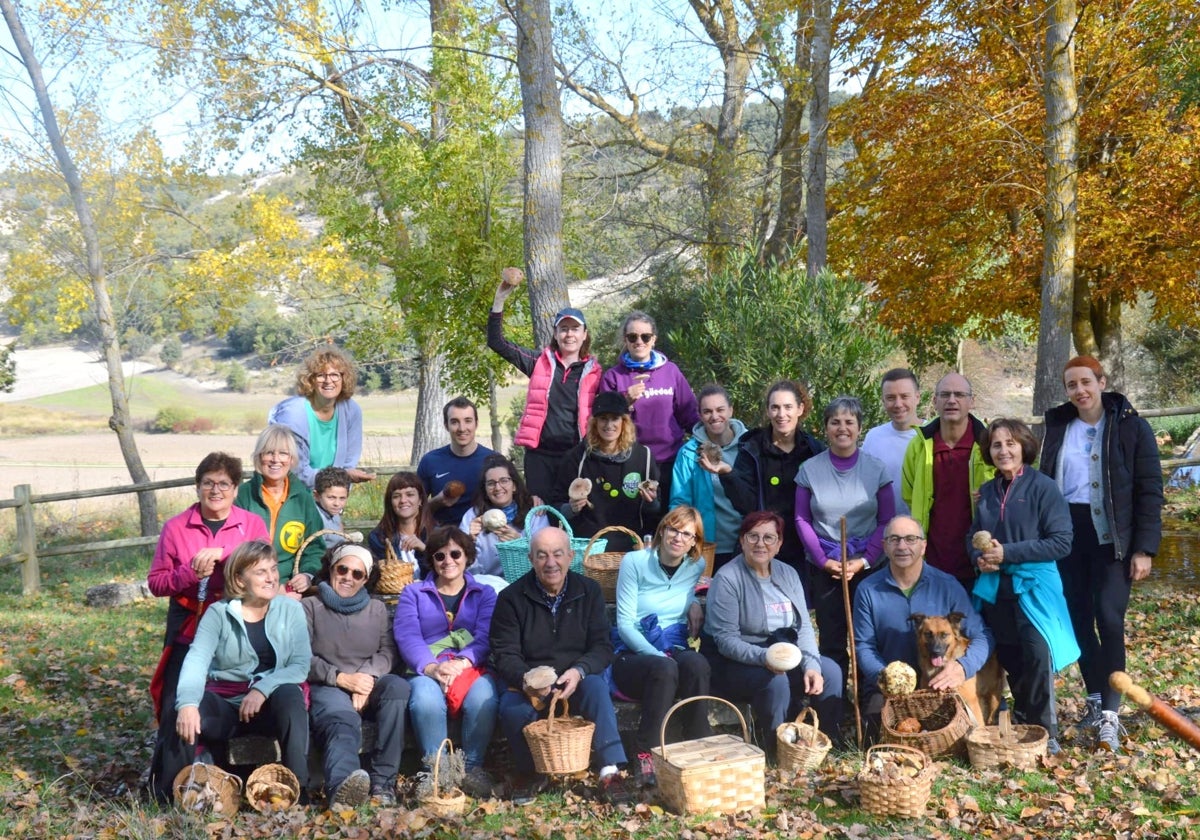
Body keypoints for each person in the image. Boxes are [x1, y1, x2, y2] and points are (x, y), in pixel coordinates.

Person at [1040, 355, 1163, 752]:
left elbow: (1149, 491)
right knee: (1076, 619)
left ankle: (1111, 713)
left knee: (1109, 618)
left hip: (1113, 538)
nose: (1079, 391)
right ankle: (1094, 698)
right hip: (1067, 536)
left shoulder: (1130, 427)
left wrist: (1143, 548)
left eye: (1085, 382)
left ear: (1102, 382)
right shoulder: (1058, 426)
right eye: (1071, 385)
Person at [146, 453, 270, 804]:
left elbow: (264, 570)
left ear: (235, 489)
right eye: (209, 483)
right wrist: (190, 573)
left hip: (240, 626)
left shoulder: (251, 524)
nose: (216, 490)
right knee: (176, 704)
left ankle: (232, 775)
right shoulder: (176, 527)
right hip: (189, 626)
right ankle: (168, 792)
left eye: (224, 484)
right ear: (198, 486)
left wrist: (227, 559)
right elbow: (156, 583)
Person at [490, 527, 632, 805]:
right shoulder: (511, 598)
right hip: (531, 680)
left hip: (575, 677)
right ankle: (529, 773)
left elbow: (602, 646)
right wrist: (528, 680)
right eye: (542, 555)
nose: (550, 563)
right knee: (511, 709)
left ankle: (609, 770)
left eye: (557, 554)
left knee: (596, 689)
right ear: (531, 559)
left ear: (570, 556)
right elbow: (503, 653)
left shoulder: (588, 591)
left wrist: (579, 671)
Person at [968, 418, 1080, 756]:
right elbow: (972, 535)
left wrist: (1008, 553)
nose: (1003, 450)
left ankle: (1047, 732)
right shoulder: (986, 493)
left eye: (1010, 443)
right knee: (1012, 656)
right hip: (996, 588)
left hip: (1034, 587)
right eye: (996, 445)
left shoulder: (1043, 487)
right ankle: (1022, 722)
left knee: (1036, 655)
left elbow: (1061, 542)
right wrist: (978, 557)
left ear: (1024, 447)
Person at [170, 541, 312, 800]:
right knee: (183, 708)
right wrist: (188, 704)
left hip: (271, 706)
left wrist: (262, 688)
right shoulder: (219, 613)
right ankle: (173, 795)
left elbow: (300, 665)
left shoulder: (290, 609)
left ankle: (298, 791)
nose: (271, 578)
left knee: (291, 695)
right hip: (228, 703)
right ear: (239, 578)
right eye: (260, 572)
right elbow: (197, 660)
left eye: (273, 569)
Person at [702, 511, 843, 746]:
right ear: (742, 540)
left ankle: (826, 745)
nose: (760, 543)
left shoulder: (788, 573)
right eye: (753, 536)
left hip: (785, 653)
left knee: (830, 671)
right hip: (738, 661)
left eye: (769, 538)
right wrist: (766, 658)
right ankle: (775, 749)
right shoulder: (727, 578)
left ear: (779, 544)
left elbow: (804, 626)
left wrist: (812, 665)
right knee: (775, 681)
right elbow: (726, 640)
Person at [853, 515, 994, 740]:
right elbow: (863, 646)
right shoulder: (868, 589)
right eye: (894, 539)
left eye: (911, 539)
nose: (902, 546)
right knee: (879, 741)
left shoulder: (947, 585)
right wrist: (884, 677)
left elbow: (982, 635)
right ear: (884, 546)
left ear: (923, 545)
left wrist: (962, 668)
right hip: (890, 690)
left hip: (941, 683)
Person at [394, 527, 500, 799]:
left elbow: (486, 635)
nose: (448, 561)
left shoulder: (484, 593)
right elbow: (408, 636)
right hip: (426, 668)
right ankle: (437, 772)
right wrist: (433, 668)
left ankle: (471, 769)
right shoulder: (413, 593)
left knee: (484, 697)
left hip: (471, 666)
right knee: (426, 700)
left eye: (455, 553)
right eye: (440, 556)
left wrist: (462, 663)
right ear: (431, 560)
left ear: (467, 557)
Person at [612, 506, 712, 788]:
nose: (678, 538)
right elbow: (625, 624)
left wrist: (693, 602)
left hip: (674, 644)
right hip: (632, 652)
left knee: (698, 664)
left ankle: (698, 742)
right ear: (662, 530)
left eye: (686, 534)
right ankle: (645, 754)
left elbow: (685, 590)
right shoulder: (634, 562)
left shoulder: (696, 565)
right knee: (665, 668)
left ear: (694, 541)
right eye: (673, 529)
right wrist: (658, 654)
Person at [795, 396, 893, 681]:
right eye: (835, 422)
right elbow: (802, 519)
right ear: (825, 427)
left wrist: (865, 560)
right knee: (832, 637)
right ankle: (834, 705)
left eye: (849, 422)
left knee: (866, 636)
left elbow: (885, 520)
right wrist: (823, 560)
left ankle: (869, 701)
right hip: (825, 566)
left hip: (869, 566)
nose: (842, 428)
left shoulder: (876, 469)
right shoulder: (809, 469)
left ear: (859, 428)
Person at [304, 543, 408, 807]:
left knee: (397, 688)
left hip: (368, 683)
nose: (348, 577)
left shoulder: (377, 609)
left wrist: (365, 679)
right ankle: (343, 788)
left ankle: (383, 783)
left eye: (357, 573)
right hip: (327, 684)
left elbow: (388, 651)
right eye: (343, 569)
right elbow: (301, 656)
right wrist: (341, 678)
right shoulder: (310, 606)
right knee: (343, 720)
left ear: (366, 579)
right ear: (330, 569)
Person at [488, 267, 602, 500]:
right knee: (540, 515)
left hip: (576, 454)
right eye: (563, 329)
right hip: (539, 456)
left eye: (574, 329)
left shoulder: (596, 372)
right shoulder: (539, 362)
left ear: (584, 334)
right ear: (556, 334)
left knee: (575, 514)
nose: (569, 334)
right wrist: (499, 300)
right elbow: (496, 342)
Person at [703, 380, 825, 591]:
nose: (781, 414)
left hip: (801, 551)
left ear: (800, 409)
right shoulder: (752, 448)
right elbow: (746, 505)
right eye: (775, 407)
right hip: (760, 547)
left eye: (788, 407)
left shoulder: (814, 451)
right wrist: (728, 473)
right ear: (768, 411)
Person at [599, 311, 699, 513]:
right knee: (637, 521)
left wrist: (711, 442)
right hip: (631, 462)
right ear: (625, 340)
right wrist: (624, 400)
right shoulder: (613, 376)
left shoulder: (671, 371)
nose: (639, 341)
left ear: (654, 339)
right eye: (632, 337)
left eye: (645, 336)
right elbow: (604, 422)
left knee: (670, 520)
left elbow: (690, 414)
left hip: (671, 462)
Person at [902, 372, 993, 592]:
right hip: (932, 562)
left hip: (979, 561)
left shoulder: (988, 444)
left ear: (972, 401)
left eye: (959, 395)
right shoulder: (919, 445)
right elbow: (908, 493)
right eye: (945, 395)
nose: (952, 400)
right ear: (934, 401)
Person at [553, 390, 660, 553]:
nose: (609, 425)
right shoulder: (576, 458)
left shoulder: (643, 457)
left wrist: (650, 502)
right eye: (603, 419)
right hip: (589, 549)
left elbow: (656, 511)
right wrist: (571, 509)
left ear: (625, 422)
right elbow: (555, 506)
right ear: (594, 422)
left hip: (632, 548)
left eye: (615, 419)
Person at [235, 424, 326, 596]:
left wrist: (306, 575)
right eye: (269, 452)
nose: (276, 459)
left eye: (283, 453)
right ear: (259, 457)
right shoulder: (243, 496)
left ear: (291, 459)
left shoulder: (303, 499)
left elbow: (314, 547)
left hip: (289, 586)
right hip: (248, 587)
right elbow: (233, 548)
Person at [268, 346, 375, 489]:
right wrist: (341, 477)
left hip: (331, 495)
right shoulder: (292, 415)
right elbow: (297, 472)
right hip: (293, 493)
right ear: (310, 380)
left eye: (335, 375)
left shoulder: (351, 410)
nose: (328, 381)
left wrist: (337, 494)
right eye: (321, 375)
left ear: (344, 379)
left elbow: (349, 462)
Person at [669, 383, 749, 571]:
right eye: (707, 411)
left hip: (748, 542)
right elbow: (680, 502)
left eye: (720, 409)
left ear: (731, 410)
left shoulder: (750, 446)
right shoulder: (689, 453)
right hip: (705, 546)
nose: (714, 417)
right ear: (699, 415)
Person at [461, 454, 548, 580]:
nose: (497, 487)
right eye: (491, 483)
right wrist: (468, 541)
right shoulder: (473, 516)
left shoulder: (534, 513)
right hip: (485, 585)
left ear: (514, 485)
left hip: (526, 583)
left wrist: (520, 543)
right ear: (484, 489)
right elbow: (461, 565)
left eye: (504, 481)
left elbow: (546, 554)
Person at [418, 397, 495, 527]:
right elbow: (414, 510)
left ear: (476, 423)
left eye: (468, 421)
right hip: (442, 536)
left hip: (484, 533)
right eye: (454, 422)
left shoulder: (493, 461)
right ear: (446, 425)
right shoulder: (430, 461)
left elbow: (510, 503)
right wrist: (438, 501)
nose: (462, 428)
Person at [861, 368, 921, 516]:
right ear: (883, 401)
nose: (898, 404)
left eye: (904, 396)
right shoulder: (874, 437)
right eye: (891, 398)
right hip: (883, 530)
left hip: (924, 530)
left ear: (917, 397)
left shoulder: (932, 435)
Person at [368, 472, 428, 576]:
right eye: (396, 496)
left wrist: (425, 550)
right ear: (390, 503)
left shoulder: (437, 534)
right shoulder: (378, 537)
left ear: (420, 500)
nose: (403, 500)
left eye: (410, 495)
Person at [313, 466, 353, 547]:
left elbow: (341, 534)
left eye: (342, 498)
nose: (337, 503)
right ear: (316, 496)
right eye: (331, 497)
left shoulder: (333, 512)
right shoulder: (315, 520)